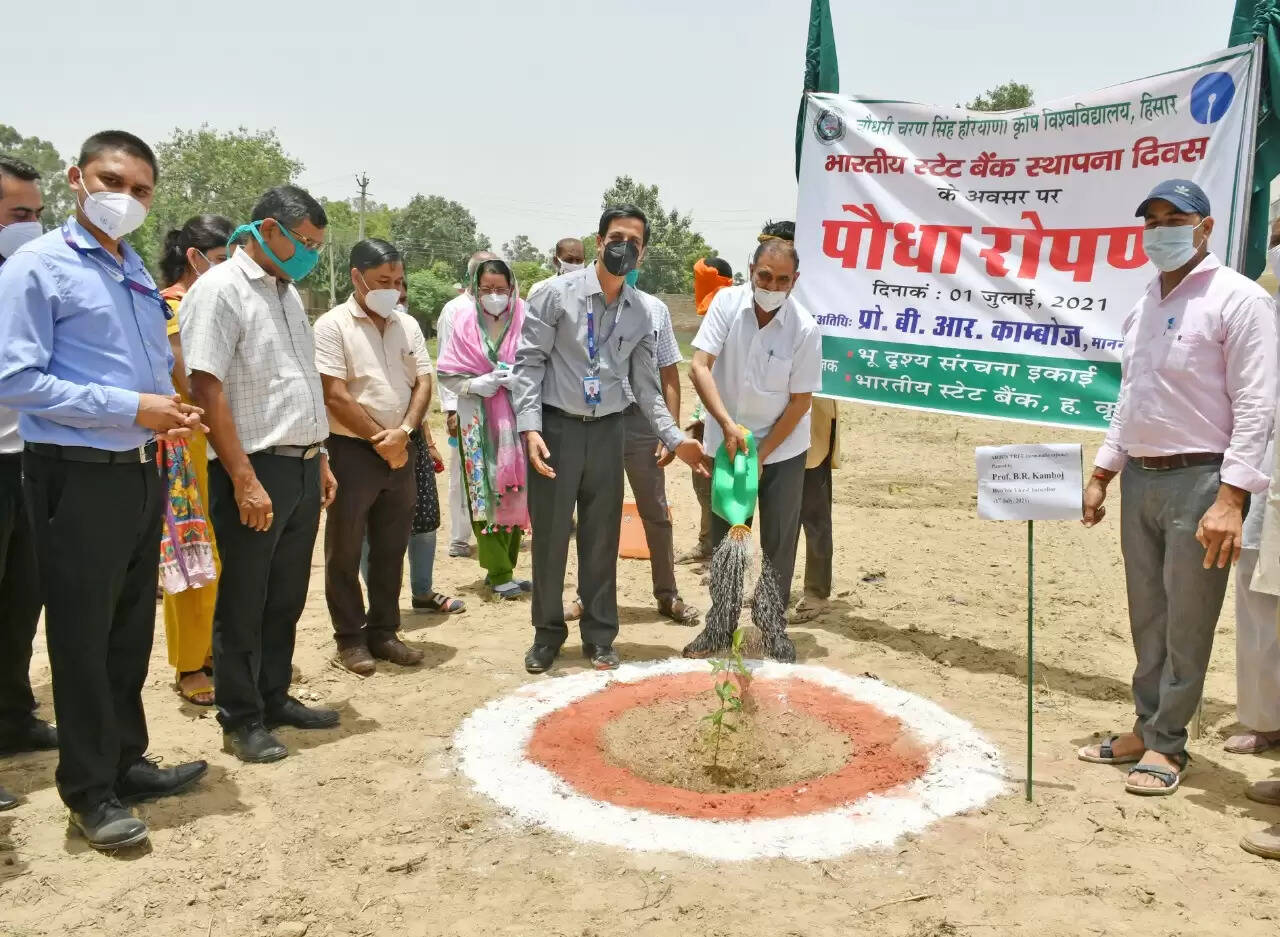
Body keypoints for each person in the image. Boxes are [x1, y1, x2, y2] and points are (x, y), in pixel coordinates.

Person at [0, 131, 209, 849]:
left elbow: (143, 371)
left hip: (140, 468)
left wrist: (166, 408)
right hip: (74, 476)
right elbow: (15, 379)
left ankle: (126, 759)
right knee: (82, 637)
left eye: (142, 190)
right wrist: (131, 407)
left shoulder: (132, 272)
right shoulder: (38, 266)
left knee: (127, 628)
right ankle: (88, 792)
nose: (127, 199)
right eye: (112, 181)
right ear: (77, 178)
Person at [1078, 179, 1278, 796]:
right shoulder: (1144, 303)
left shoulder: (1239, 300)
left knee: (1189, 622)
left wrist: (1231, 497)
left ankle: (1168, 745)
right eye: (1153, 219)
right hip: (1141, 478)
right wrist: (1104, 470)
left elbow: (1257, 404)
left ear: (1205, 227)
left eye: (1175, 218)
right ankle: (1146, 725)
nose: (1161, 229)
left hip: (1202, 482)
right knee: (1149, 615)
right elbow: (1130, 399)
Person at [182, 185, 340, 765]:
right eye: (304, 243)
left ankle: (275, 697)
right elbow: (207, 386)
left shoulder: (287, 292)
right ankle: (240, 716)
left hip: (300, 466)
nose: (310, 256)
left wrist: (319, 456)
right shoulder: (220, 290)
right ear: (268, 229)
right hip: (254, 468)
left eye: (317, 248)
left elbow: (297, 382)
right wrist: (244, 478)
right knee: (245, 601)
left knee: (285, 597)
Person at [513, 205, 707, 674]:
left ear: (643, 251)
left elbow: (646, 386)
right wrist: (530, 427)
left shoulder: (643, 311)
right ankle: (547, 635)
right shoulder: (553, 295)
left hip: (608, 431)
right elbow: (528, 364)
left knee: (602, 538)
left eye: (635, 242)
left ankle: (600, 636)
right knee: (552, 537)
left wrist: (674, 436)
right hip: (556, 429)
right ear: (599, 242)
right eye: (617, 237)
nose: (625, 248)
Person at [681, 236, 822, 663]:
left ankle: (770, 623)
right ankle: (720, 624)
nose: (771, 286)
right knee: (727, 536)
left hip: (781, 447)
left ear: (795, 281)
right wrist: (724, 425)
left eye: (782, 280)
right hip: (727, 440)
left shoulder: (804, 328)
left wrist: (760, 456)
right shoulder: (726, 304)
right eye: (764, 276)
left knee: (779, 538)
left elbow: (800, 401)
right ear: (750, 271)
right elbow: (699, 366)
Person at [315, 238, 451, 675]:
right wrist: (381, 439)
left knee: (393, 545)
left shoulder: (406, 325)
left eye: (397, 281)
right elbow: (334, 395)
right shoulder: (332, 326)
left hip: (401, 446)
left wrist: (406, 433)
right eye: (381, 281)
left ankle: (385, 631)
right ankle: (350, 639)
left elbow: (423, 383)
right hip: (351, 451)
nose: (391, 288)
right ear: (356, 277)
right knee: (346, 547)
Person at [159, 214, 233, 707]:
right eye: (223, 261)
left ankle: (213, 650)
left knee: (224, 555)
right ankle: (190, 662)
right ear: (195, 257)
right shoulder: (170, 305)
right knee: (191, 553)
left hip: (224, 442)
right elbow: (189, 377)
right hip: (185, 448)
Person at [0, 155, 55, 814]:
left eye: (37, 215)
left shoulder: (27, 282)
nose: (32, 227)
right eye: (19, 215)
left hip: (27, 457)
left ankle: (13, 717)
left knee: (21, 601)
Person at [437, 259, 531, 598]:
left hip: (517, 417)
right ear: (476, 289)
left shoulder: (524, 316)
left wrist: (518, 379)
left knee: (516, 489)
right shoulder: (463, 320)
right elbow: (446, 371)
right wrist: (475, 384)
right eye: (487, 289)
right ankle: (498, 569)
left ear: (511, 288)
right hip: (475, 418)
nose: (494, 295)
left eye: (500, 289)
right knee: (483, 492)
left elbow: (538, 362)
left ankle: (506, 566)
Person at [438, 250, 497, 558]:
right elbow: (446, 362)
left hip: (496, 404)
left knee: (491, 470)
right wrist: (450, 408)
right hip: (464, 401)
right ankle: (459, 538)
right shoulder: (455, 310)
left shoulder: (496, 308)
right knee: (464, 471)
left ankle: (489, 530)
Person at [677, 256, 736, 566]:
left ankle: (721, 552)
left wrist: (704, 414)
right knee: (703, 478)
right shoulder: (714, 311)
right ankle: (706, 543)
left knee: (722, 485)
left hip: (726, 412)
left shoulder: (732, 311)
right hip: (708, 411)